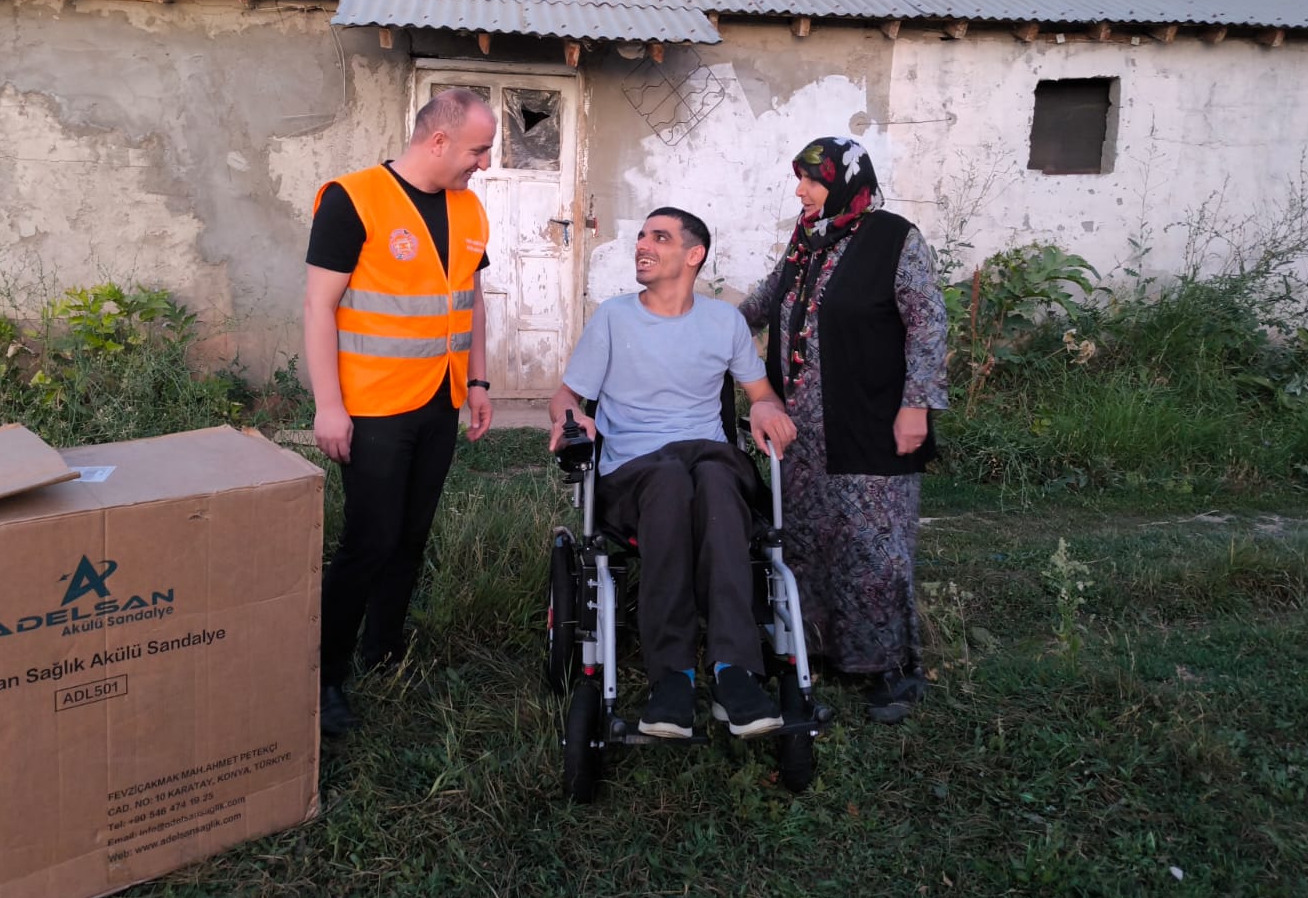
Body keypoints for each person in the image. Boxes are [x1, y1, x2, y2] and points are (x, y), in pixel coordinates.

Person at [547, 207, 798, 740]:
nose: (643, 244)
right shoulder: (613, 318)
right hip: (635, 473)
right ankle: (673, 678)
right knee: (671, 480)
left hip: (707, 463)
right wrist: (569, 420)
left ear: (693, 255)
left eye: (659, 237)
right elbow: (568, 394)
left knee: (713, 475)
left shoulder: (723, 321)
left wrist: (768, 408)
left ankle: (735, 673)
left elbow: (759, 393)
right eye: (640, 235)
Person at [305, 88, 497, 737]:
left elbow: (470, 295)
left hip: (438, 402)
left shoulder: (469, 210)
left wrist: (478, 380)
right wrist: (328, 405)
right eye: (479, 149)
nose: (485, 164)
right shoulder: (352, 199)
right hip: (372, 408)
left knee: (412, 539)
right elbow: (317, 308)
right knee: (369, 541)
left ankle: (381, 652)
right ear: (437, 141)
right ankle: (324, 677)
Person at [740, 136, 948, 724]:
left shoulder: (894, 238)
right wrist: (703, 327)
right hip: (800, 425)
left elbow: (927, 325)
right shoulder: (807, 239)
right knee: (805, 537)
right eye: (800, 179)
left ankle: (889, 668)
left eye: (812, 180)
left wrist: (918, 405)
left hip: (871, 414)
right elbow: (767, 296)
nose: (800, 190)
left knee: (872, 541)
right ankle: (819, 652)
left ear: (847, 181)